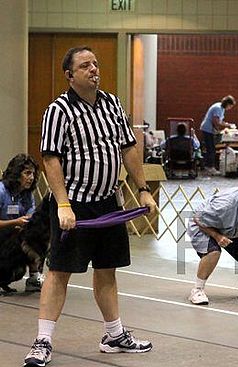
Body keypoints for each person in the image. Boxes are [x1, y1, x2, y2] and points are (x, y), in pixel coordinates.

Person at [23, 46, 156, 367]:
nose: (94, 69)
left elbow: (128, 148)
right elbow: (50, 158)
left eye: (95, 64)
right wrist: (63, 204)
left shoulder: (112, 103)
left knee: (107, 269)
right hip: (74, 205)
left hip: (108, 202)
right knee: (59, 272)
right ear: (70, 75)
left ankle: (114, 334)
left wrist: (143, 189)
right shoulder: (58, 110)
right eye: (85, 66)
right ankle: (42, 341)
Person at [187, 177, 238, 305]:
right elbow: (198, 218)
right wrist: (217, 236)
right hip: (205, 225)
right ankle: (197, 290)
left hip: (232, 227)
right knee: (214, 252)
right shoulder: (224, 205)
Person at [0, 154, 42, 292]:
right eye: (27, 173)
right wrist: (15, 222)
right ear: (16, 174)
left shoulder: (27, 194)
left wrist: (29, 220)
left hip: (13, 237)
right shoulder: (1, 191)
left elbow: (31, 214)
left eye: (33, 174)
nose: (31, 177)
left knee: (35, 237)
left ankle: (34, 278)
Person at [200, 95, 237, 175]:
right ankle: (210, 167)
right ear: (227, 104)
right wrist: (217, 130)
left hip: (209, 129)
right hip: (208, 129)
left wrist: (228, 125)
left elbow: (220, 121)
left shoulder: (221, 109)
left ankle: (209, 166)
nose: (230, 108)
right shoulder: (218, 108)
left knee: (211, 148)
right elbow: (215, 121)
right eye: (230, 106)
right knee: (211, 148)